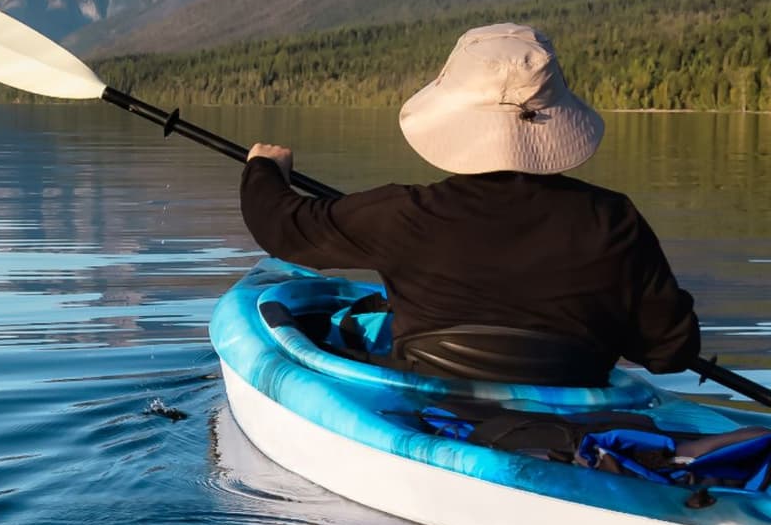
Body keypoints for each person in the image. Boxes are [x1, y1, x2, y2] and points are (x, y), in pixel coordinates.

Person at [240, 23, 699, 384]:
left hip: (430, 412)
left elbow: (282, 228)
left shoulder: (405, 215)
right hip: (577, 423)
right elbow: (669, 351)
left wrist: (264, 169)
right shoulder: (614, 219)